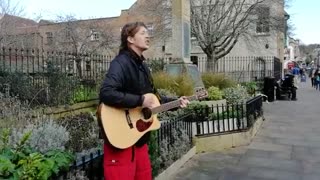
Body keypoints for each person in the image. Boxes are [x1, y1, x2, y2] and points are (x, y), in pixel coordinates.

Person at [98, 22, 190, 180]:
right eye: (142, 33)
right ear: (130, 39)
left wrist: (176, 102)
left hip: (139, 141)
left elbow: (154, 99)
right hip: (120, 141)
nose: (148, 36)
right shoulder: (121, 63)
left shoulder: (143, 67)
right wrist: (140, 100)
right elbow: (107, 93)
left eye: (148, 33)